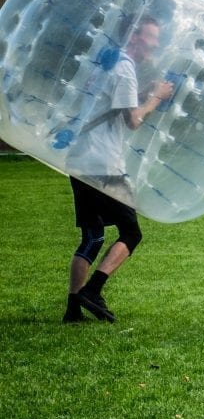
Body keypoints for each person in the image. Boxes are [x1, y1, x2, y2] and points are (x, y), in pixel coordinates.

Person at [61, 16, 176, 323]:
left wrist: (142, 95)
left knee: (93, 237)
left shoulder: (106, 62)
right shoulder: (125, 68)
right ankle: (92, 291)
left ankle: (73, 309)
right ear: (134, 37)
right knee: (131, 232)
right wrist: (156, 98)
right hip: (104, 165)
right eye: (152, 37)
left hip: (80, 160)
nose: (155, 44)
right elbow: (133, 120)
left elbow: (112, 108)